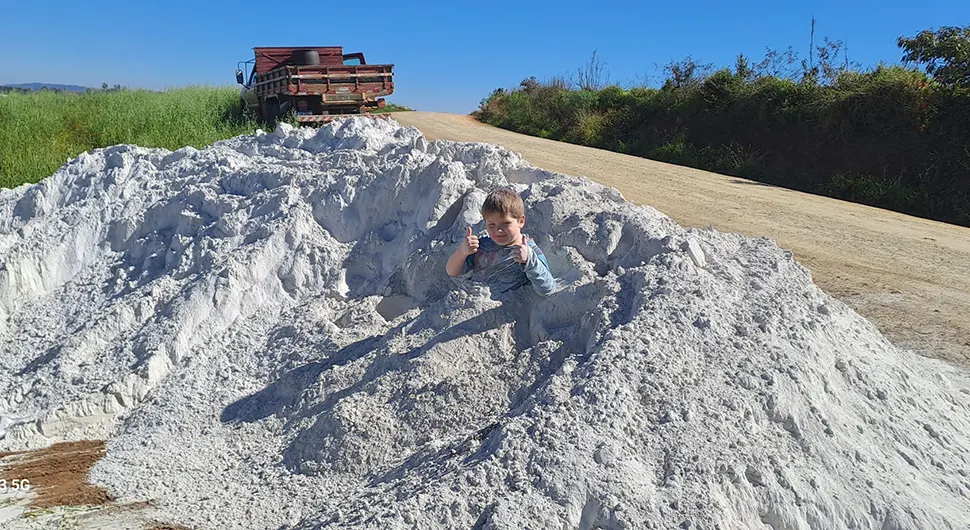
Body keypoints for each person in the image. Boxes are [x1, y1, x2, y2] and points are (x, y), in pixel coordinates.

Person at [446, 188, 557, 296]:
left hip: (502, 309)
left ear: (521, 221)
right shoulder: (482, 246)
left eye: (505, 223)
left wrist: (529, 261)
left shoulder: (528, 251)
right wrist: (462, 252)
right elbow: (452, 271)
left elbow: (548, 289)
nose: (498, 230)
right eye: (491, 225)